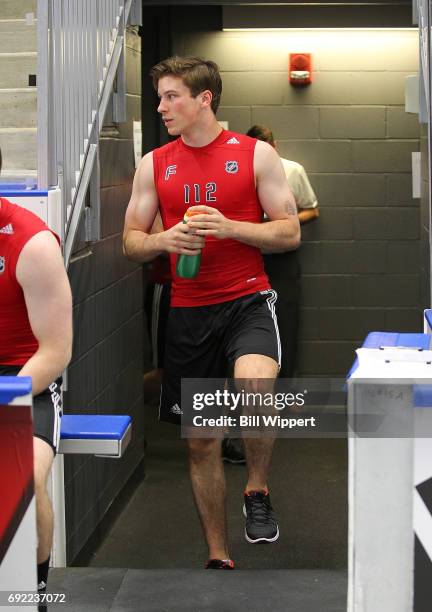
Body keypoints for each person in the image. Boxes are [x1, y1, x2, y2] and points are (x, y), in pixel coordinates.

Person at [123, 56, 300, 569]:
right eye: (159, 97)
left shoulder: (254, 155)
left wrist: (232, 228)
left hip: (247, 297)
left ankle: (258, 487)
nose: (161, 108)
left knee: (254, 386)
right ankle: (219, 553)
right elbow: (132, 242)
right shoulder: (154, 163)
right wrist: (161, 238)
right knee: (202, 442)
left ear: (205, 99)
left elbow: (289, 233)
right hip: (189, 309)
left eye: (171, 96)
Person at [0, 147, 73, 607]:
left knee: (17, 478)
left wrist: (6, 404)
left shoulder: (31, 242)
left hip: (27, 379)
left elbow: (56, 351)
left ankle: (32, 588)